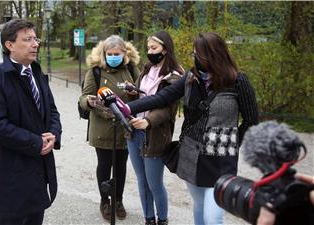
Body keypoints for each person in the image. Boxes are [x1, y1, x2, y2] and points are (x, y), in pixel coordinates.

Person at [111, 32, 259, 225]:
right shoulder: (190, 77)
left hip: (221, 160)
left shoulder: (238, 81)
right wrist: (128, 107)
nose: (195, 58)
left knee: (213, 217)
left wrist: (231, 142)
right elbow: (163, 97)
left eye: (198, 54)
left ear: (213, 55)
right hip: (192, 154)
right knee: (198, 207)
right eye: (194, 53)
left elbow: (251, 121)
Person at [0, 19, 62, 225]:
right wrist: (36, 142)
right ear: (10, 45)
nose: (35, 44)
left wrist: (54, 134)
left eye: (35, 38)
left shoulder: (37, 73)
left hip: (39, 168)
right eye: (28, 39)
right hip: (13, 169)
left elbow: (52, 110)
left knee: (35, 217)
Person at [78, 35, 140, 221]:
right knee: (104, 166)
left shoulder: (131, 69)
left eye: (117, 54)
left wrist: (135, 93)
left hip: (124, 126)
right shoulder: (96, 71)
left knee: (120, 166)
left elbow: (143, 94)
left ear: (125, 53)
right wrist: (88, 101)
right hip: (102, 128)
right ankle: (105, 201)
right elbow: (84, 97)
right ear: (104, 53)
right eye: (110, 54)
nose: (113, 57)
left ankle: (118, 200)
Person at [126, 31, 183, 225]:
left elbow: (167, 109)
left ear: (165, 49)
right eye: (148, 48)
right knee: (142, 182)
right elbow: (140, 98)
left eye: (154, 48)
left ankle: (163, 220)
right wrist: (132, 90)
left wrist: (149, 121)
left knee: (154, 183)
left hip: (156, 135)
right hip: (134, 132)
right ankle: (148, 219)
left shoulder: (175, 77)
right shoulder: (146, 69)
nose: (149, 52)